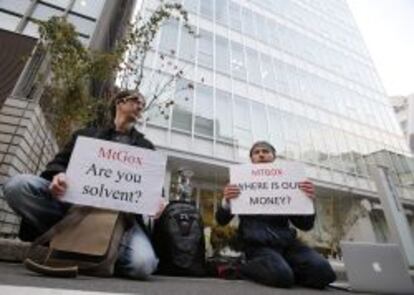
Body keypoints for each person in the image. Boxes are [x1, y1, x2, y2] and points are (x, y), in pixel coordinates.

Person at [3, 90, 160, 280]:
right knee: (17, 186)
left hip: (121, 220)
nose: (141, 105)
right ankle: (74, 238)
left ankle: (103, 247)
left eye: (143, 103)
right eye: (136, 100)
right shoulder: (86, 135)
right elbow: (58, 164)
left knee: (142, 264)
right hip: (72, 210)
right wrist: (58, 176)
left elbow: (153, 188)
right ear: (119, 102)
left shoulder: (146, 148)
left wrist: (157, 201)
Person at [216, 141, 336, 289]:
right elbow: (221, 220)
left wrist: (307, 200)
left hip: (288, 244)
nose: (261, 154)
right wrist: (227, 201)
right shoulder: (239, 184)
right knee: (281, 277)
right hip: (257, 245)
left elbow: (305, 225)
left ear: (273, 157)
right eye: (256, 152)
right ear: (251, 159)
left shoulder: (289, 182)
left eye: (265, 151)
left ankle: (284, 270)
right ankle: (241, 268)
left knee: (324, 273)